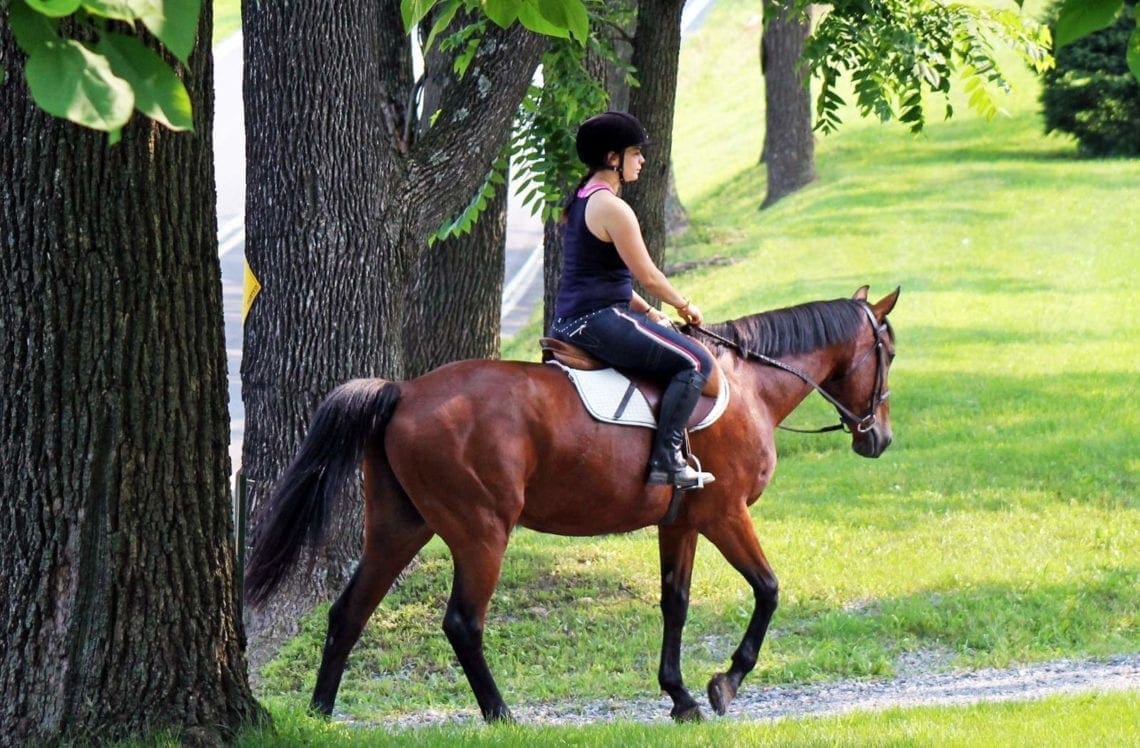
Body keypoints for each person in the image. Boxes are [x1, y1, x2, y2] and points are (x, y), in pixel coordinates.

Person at [549, 111, 716, 491]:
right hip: (595, 320)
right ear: (613, 159)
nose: (642, 160)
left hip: (581, 317)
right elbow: (648, 276)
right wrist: (684, 305)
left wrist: (652, 313)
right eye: (635, 152)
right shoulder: (611, 207)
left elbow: (610, 281)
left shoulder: (582, 199)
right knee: (696, 361)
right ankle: (668, 459)